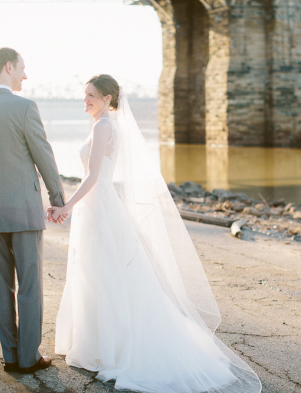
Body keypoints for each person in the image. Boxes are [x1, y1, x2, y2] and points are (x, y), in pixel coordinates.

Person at [48, 74, 262, 392]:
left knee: (100, 272)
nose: (85, 100)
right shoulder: (107, 125)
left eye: (91, 95)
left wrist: (66, 205)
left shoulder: (103, 126)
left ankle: (103, 348)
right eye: (85, 94)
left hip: (98, 206)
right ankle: (98, 343)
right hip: (100, 206)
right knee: (102, 272)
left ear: (108, 99)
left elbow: (93, 176)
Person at [0, 47, 67, 374]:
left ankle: (10, 356)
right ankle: (29, 358)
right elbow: (43, 156)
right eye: (22, 68)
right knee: (30, 285)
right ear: (8, 67)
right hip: (24, 211)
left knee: (1, 285)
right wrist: (58, 198)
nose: (25, 74)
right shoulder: (24, 107)